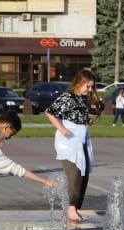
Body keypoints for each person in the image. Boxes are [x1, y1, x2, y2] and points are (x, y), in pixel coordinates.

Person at [45, 69, 100, 222]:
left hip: (81, 138)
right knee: (74, 175)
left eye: (91, 87)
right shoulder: (67, 97)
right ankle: (70, 208)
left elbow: (77, 114)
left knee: (84, 174)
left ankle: (76, 208)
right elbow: (50, 113)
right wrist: (61, 129)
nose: (90, 90)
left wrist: (86, 120)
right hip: (69, 140)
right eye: (88, 86)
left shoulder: (82, 98)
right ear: (79, 83)